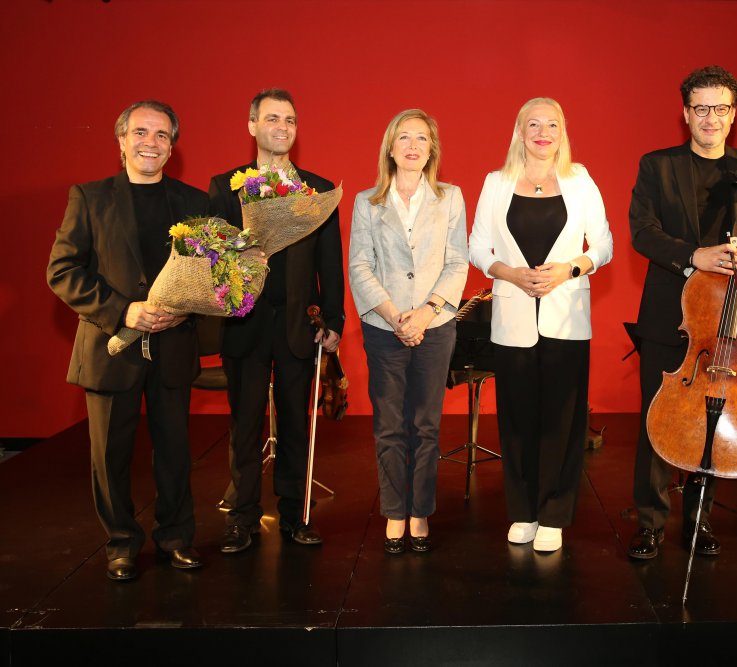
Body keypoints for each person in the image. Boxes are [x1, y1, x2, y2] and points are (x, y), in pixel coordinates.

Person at [627, 66, 737, 560]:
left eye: (720, 108)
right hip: (668, 314)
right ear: (685, 113)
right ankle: (650, 522)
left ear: (733, 114)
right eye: (701, 108)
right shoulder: (657, 165)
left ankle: (699, 520)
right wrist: (693, 256)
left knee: (714, 420)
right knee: (658, 421)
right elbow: (643, 231)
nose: (710, 118)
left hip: (729, 321)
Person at [47, 100, 208, 581]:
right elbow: (62, 270)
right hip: (109, 348)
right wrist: (124, 310)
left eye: (161, 135)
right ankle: (120, 543)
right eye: (140, 132)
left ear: (172, 146)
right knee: (110, 456)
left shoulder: (195, 202)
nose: (150, 143)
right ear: (121, 140)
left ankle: (176, 538)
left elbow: (211, 275)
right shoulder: (90, 197)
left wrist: (188, 306)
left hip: (172, 346)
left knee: (175, 452)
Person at [469, 97, 613, 553]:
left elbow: (604, 244)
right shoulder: (495, 183)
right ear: (519, 132)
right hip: (512, 318)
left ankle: (553, 514)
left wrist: (569, 269)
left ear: (562, 132)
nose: (543, 133)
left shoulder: (580, 180)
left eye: (552, 124)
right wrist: (509, 273)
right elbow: (477, 247)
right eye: (533, 124)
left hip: (566, 319)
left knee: (562, 421)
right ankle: (523, 511)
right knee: (516, 420)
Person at [208, 88, 344, 553]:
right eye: (272, 118)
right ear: (252, 125)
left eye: (289, 120)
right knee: (244, 426)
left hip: (298, 327)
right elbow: (213, 260)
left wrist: (334, 319)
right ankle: (242, 517)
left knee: (295, 427)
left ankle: (295, 515)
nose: (282, 127)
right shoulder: (225, 187)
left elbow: (330, 263)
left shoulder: (318, 191)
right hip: (244, 326)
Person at [349, 109, 468, 554]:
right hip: (384, 327)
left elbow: (458, 261)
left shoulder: (450, 197)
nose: (413, 145)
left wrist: (425, 313)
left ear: (432, 148)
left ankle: (420, 511)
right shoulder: (367, 201)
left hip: (435, 327)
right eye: (404, 137)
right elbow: (360, 265)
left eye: (422, 137)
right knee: (389, 426)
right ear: (390, 147)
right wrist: (396, 315)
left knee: (426, 425)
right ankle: (395, 512)